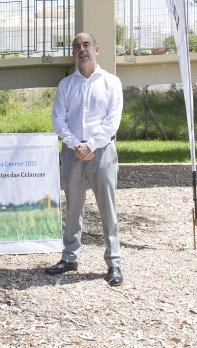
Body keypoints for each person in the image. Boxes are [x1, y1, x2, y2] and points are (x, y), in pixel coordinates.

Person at [46, 32, 125, 286]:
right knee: (73, 208)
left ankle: (113, 263)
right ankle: (70, 257)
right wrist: (75, 144)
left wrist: (90, 145)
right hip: (72, 153)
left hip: (102, 152)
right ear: (73, 52)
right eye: (77, 46)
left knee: (107, 209)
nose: (82, 50)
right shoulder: (66, 85)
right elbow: (58, 120)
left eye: (86, 45)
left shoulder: (111, 83)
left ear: (96, 49)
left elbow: (113, 121)